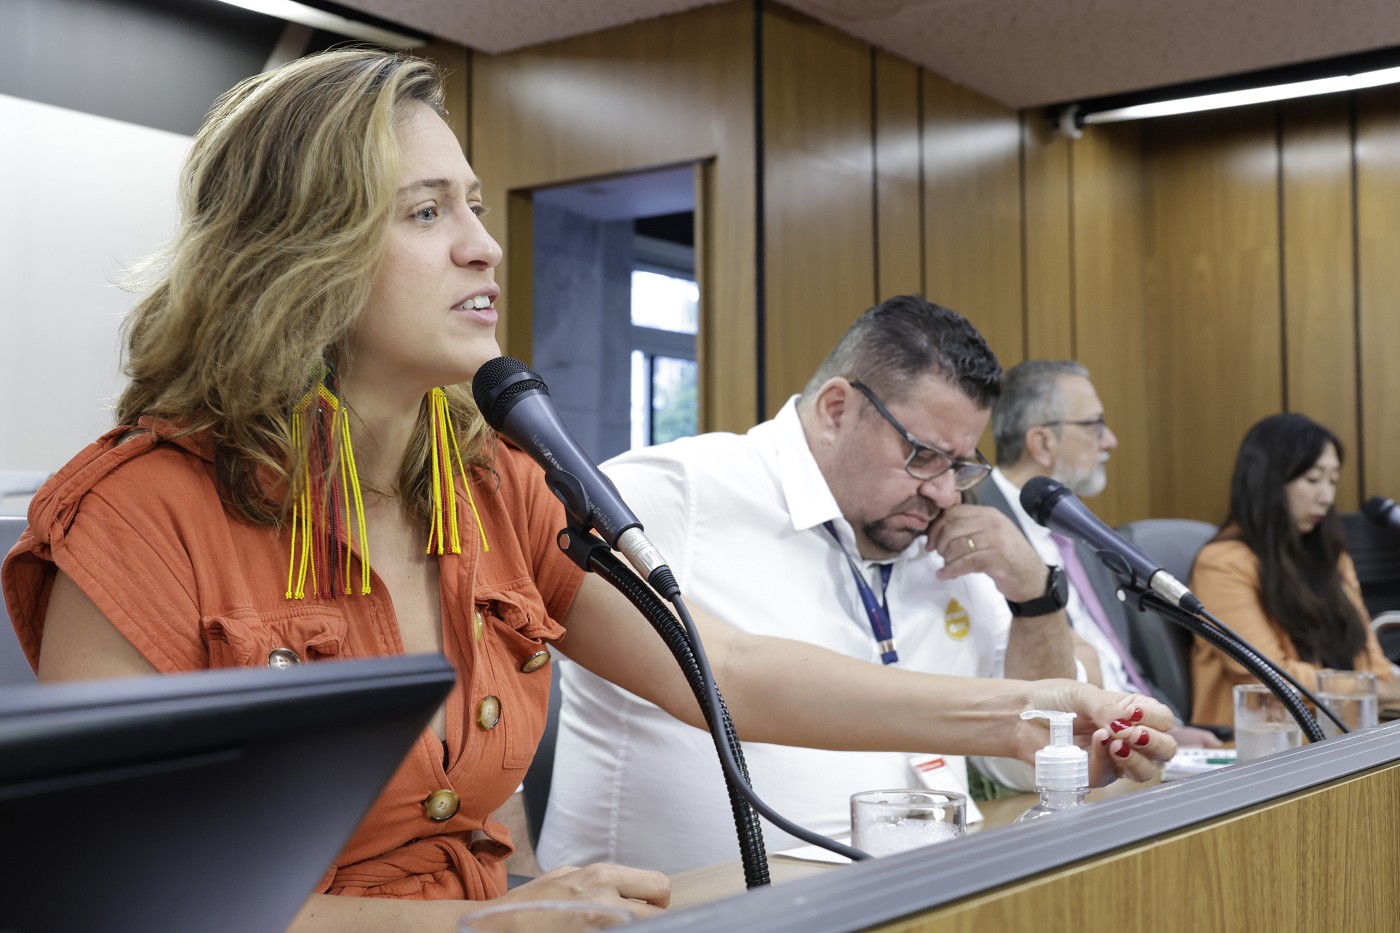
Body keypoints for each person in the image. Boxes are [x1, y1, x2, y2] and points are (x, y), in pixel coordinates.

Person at [0, 50, 1175, 933]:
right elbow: (111, 901)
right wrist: (478, 925)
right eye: (426, 212)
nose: (482, 245)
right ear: (293, 253)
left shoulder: (494, 486)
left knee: (848, 897)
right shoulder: (138, 513)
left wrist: (1028, 714)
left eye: (473, 203)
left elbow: (729, 673)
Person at [539, 298, 1109, 874]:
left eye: (960, 465)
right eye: (924, 455)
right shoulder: (678, 492)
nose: (944, 492)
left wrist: (1035, 599)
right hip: (687, 904)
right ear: (836, 409)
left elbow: (1027, 762)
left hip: (919, 888)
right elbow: (499, 629)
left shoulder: (946, 540)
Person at [977, 360, 1220, 748]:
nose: (1110, 441)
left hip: (1149, 738)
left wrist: (1170, 728)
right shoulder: (982, 529)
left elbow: (1120, 662)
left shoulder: (1077, 528)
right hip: (1064, 748)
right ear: (1042, 442)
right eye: (1095, 425)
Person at [1189, 413, 1399, 726]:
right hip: (1258, 738)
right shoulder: (1222, 564)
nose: (1326, 497)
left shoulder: (1333, 557)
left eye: (1333, 481)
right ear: (1269, 481)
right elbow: (1268, 675)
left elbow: (1374, 666)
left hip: (1341, 730)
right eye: (1313, 480)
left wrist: (1376, 687)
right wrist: (1367, 689)